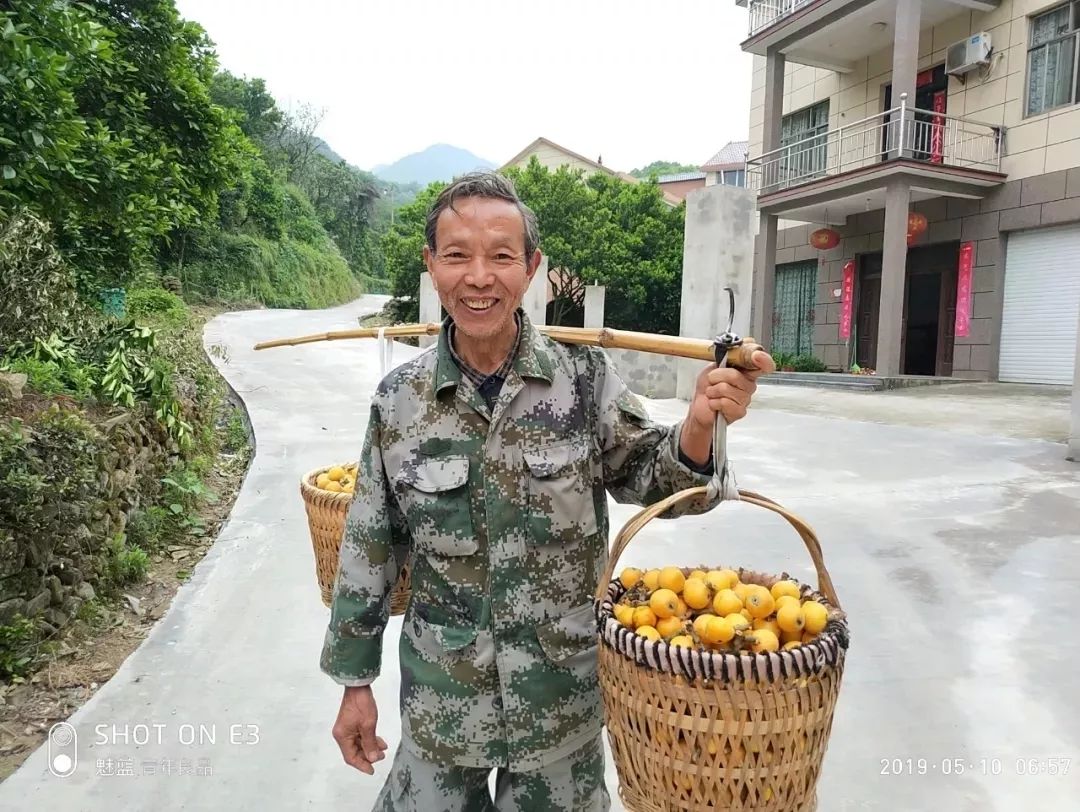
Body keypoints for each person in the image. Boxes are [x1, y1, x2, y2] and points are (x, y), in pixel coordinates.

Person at [321, 171, 774, 811]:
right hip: (442, 700)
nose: (479, 277)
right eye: (457, 256)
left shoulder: (583, 380)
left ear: (531, 267)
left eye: (501, 256)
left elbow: (655, 477)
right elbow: (369, 546)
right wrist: (354, 680)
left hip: (561, 700)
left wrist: (700, 423)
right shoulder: (400, 402)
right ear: (431, 266)